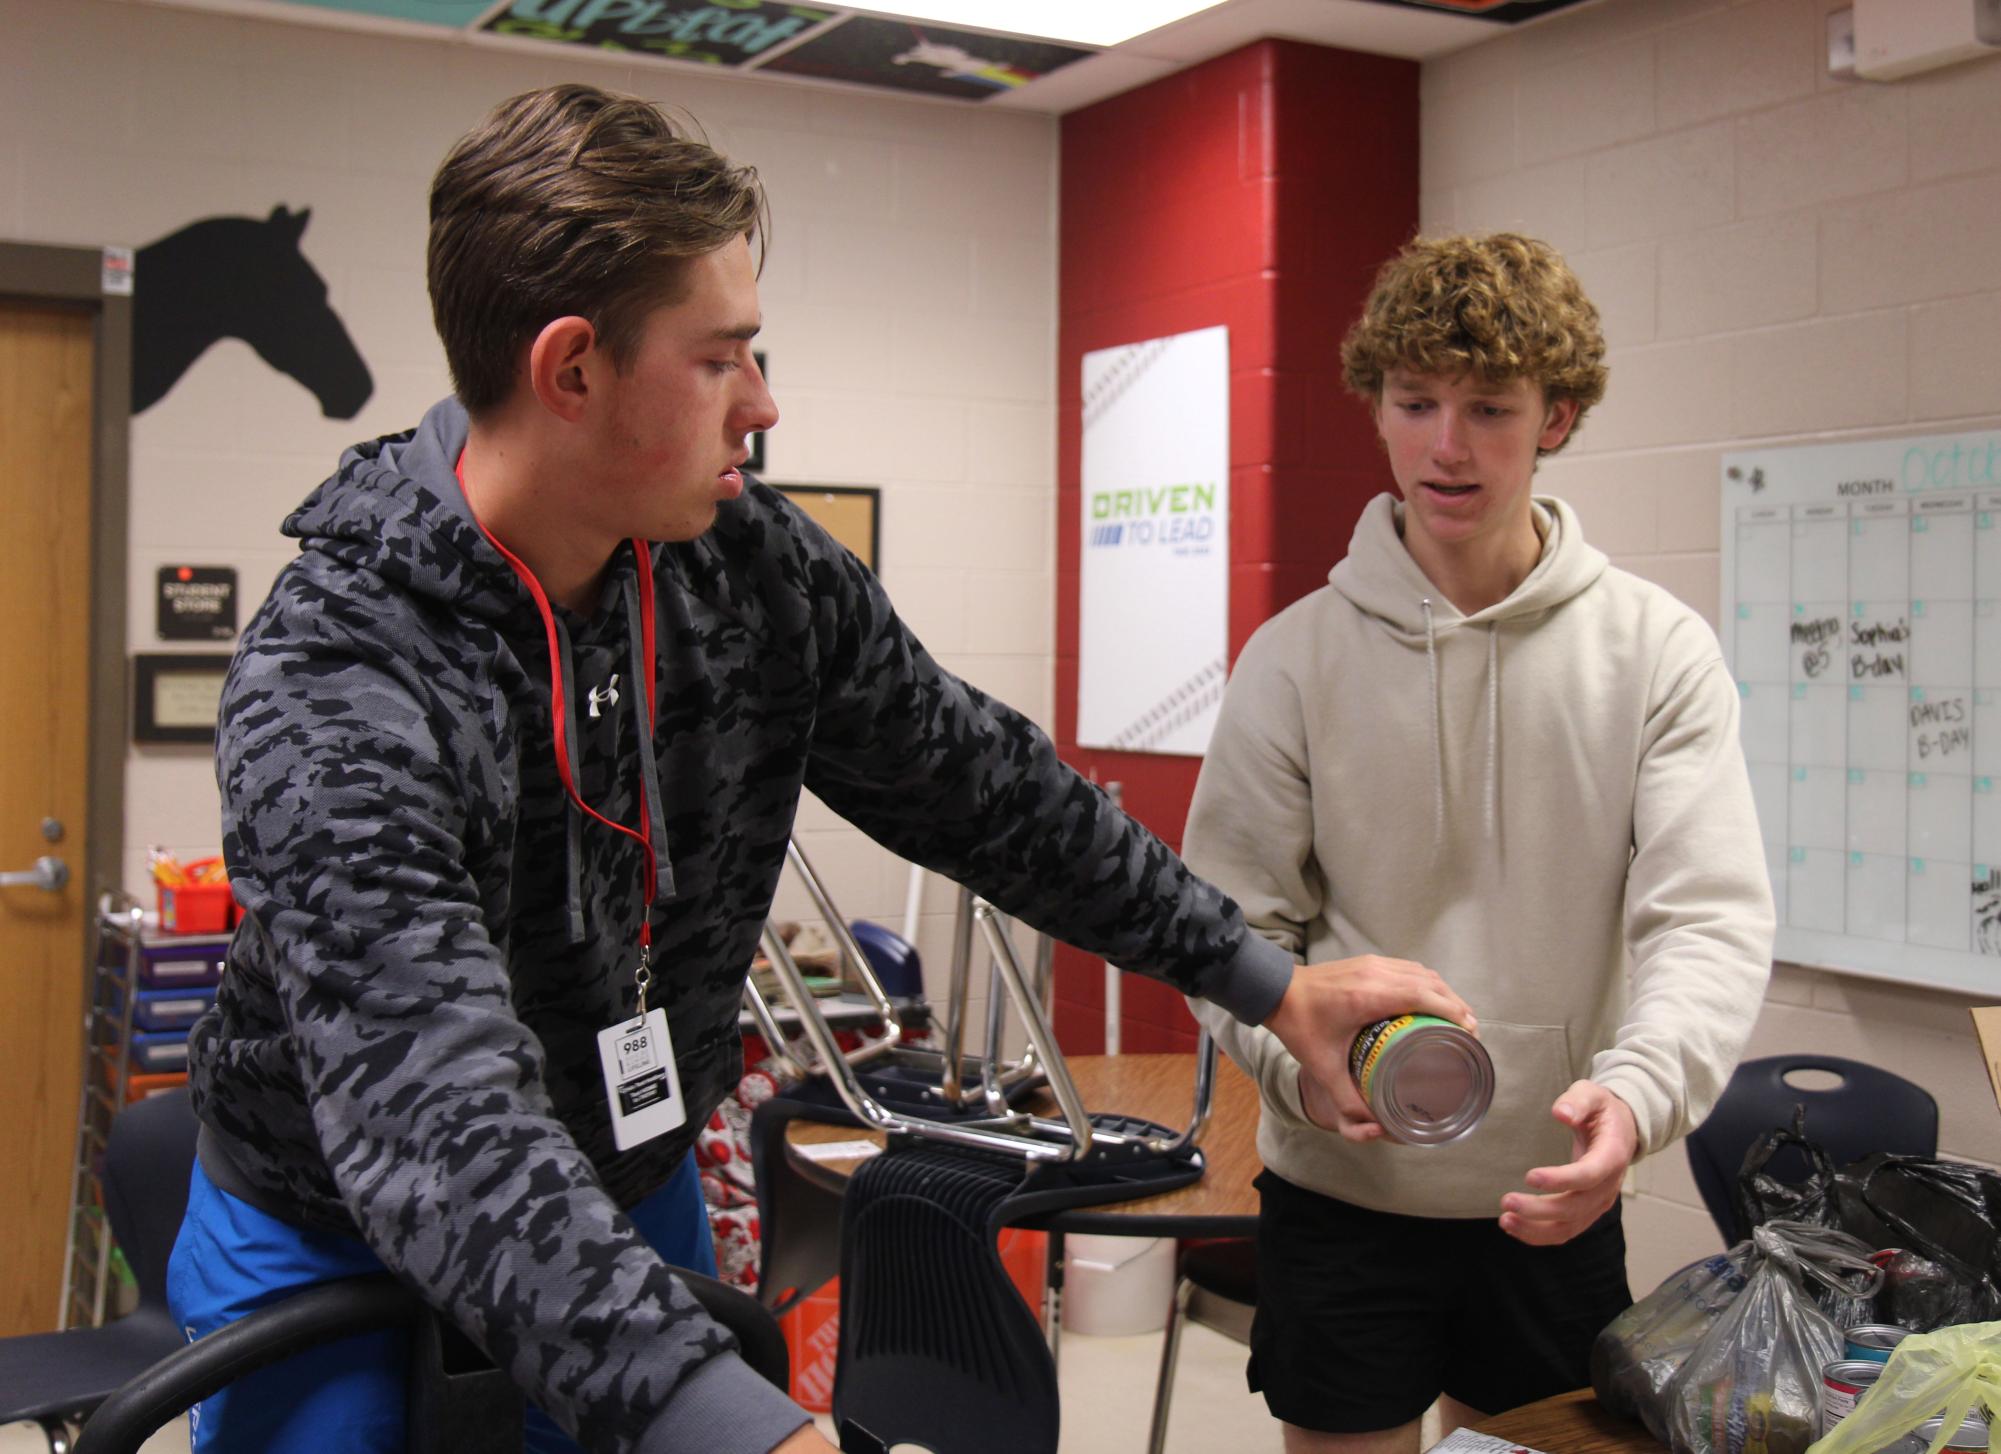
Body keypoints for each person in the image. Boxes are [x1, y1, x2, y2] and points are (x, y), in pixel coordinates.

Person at [171, 84, 1474, 1454]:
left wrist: (1270, 981)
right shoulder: (337, 675)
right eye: (721, 356)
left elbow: (991, 792)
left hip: (628, 1184)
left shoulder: (748, 569)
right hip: (333, 1235)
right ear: (572, 370)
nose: (764, 403)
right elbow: (432, 1116)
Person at [1182, 232, 1776, 1454]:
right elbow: (1229, 930)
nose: (1447, 445)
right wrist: (1300, 1063)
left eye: (1490, 408)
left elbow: (1704, 915)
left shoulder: (1657, 652)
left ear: (1557, 416)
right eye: (1416, 403)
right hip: (1341, 1197)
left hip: (1548, 1196)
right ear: (1380, 409)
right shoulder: (1292, 659)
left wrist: (1637, 1092)